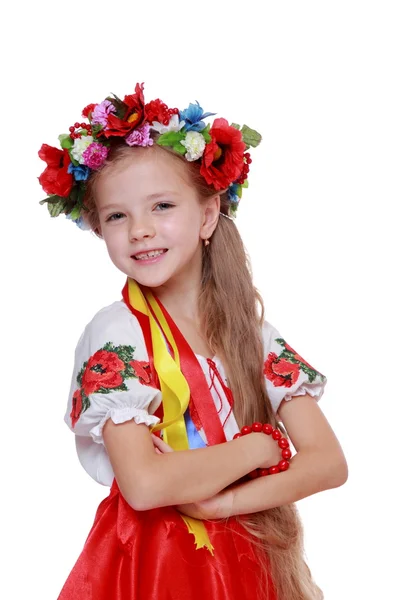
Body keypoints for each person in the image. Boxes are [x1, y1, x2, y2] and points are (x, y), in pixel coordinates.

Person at [38, 83, 348, 600]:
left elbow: (328, 463)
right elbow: (145, 486)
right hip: (153, 562)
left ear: (207, 215)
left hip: (249, 550)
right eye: (117, 215)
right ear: (100, 228)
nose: (140, 229)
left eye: (161, 205)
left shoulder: (253, 335)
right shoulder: (119, 332)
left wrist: (220, 504)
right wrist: (262, 444)